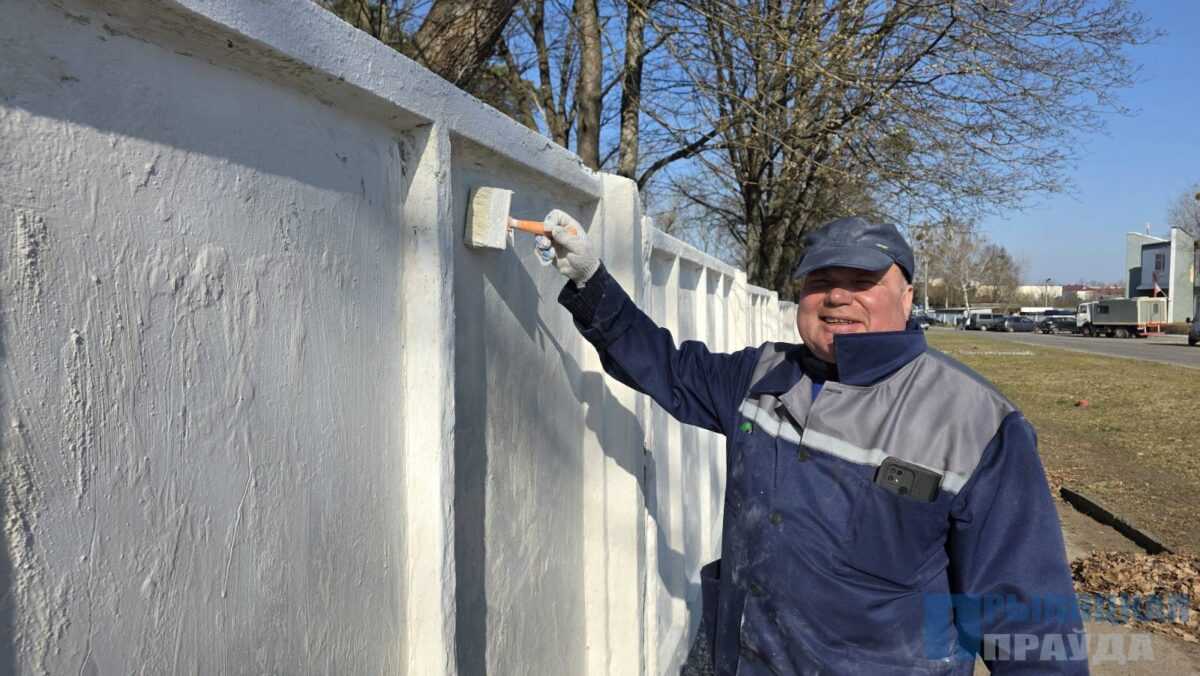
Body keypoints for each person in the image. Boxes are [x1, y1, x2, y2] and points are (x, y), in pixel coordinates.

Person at [545, 213, 1087, 675]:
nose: (836, 296)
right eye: (820, 278)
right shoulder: (761, 375)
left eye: (862, 279)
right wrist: (591, 282)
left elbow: (1023, 616)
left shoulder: (976, 422)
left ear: (908, 296)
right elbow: (664, 367)